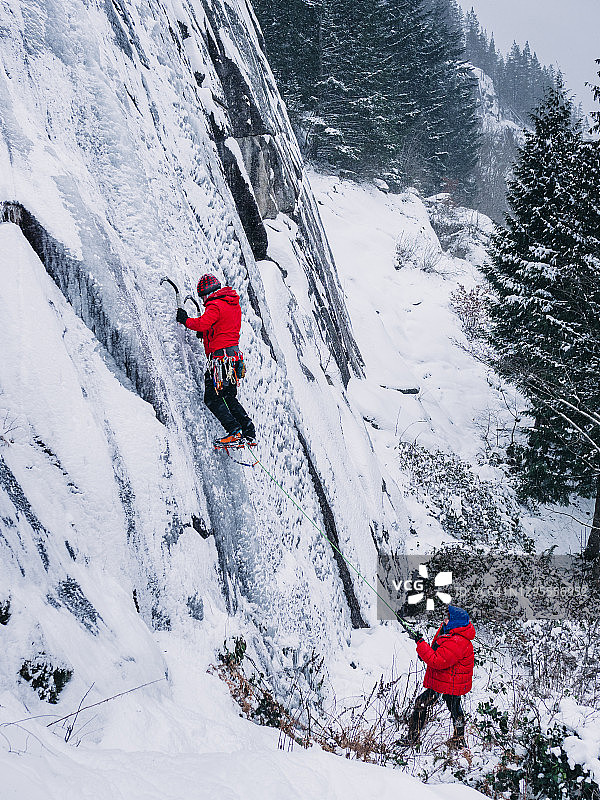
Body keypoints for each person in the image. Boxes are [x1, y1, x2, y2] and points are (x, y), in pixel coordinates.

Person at [176, 273, 256, 448]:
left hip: (220, 361)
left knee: (212, 398)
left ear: (207, 293)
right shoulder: (232, 304)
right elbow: (221, 328)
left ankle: (234, 431)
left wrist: (185, 320)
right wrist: (205, 333)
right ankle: (248, 431)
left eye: (203, 296)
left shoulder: (215, 305)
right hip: (233, 359)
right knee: (228, 396)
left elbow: (203, 323)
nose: (203, 300)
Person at [406, 605, 475, 747]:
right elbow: (437, 650)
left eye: (448, 618)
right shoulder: (451, 632)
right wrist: (423, 647)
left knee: (421, 703)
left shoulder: (458, 641)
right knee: (455, 708)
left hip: (448, 681)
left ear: (455, 622)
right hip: (451, 680)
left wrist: (420, 645)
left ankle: (412, 739)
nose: (444, 620)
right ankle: (459, 740)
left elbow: (438, 661)